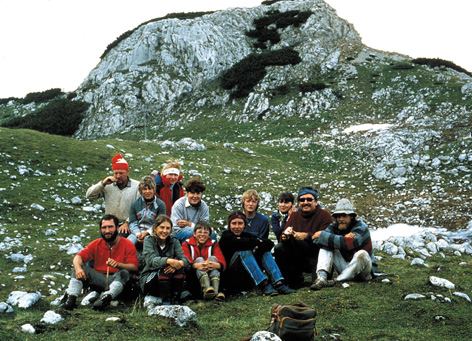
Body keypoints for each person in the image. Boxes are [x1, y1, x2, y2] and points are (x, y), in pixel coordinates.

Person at [58, 214, 139, 311]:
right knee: (79, 268)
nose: (107, 231)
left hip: (120, 282)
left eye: (110, 227)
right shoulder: (96, 244)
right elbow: (78, 257)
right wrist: (78, 269)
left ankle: (105, 299)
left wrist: (118, 265)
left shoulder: (128, 244)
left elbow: (134, 267)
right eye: (104, 228)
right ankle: (70, 301)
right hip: (100, 280)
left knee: (123, 273)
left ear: (117, 228)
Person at [219, 211, 295, 296]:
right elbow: (239, 243)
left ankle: (278, 283)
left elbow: (269, 243)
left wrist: (257, 244)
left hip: (247, 278)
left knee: (264, 251)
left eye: (240, 223)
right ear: (229, 225)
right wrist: (256, 243)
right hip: (232, 278)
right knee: (244, 251)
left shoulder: (246, 235)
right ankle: (264, 285)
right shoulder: (225, 236)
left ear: (244, 225)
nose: (237, 227)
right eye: (234, 223)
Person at [311, 199, 378, 290]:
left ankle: (337, 280)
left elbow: (350, 244)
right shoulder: (334, 227)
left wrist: (324, 235)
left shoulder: (361, 227)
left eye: (344, 216)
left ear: (351, 217)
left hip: (364, 272)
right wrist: (342, 238)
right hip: (344, 268)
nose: (340, 219)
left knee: (362, 254)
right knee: (325, 246)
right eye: (338, 216)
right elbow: (316, 241)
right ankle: (321, 279)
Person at [274, 186, 333, 288]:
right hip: (299, 256)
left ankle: (321, 277)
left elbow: (328, 238)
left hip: (317, 256)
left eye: (309, 199)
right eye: (302, 200)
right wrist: (285, 237)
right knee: (279, 248)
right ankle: (292, 280)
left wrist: (307, 236)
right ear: (298, 203)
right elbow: (282, 237)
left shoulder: (325, 215)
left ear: (316, 202)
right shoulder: (294, 216)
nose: (305, 202)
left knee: (318, 284)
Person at [86, 153, 140, 237]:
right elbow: (89, 195)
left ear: (127, 172)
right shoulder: (107, 185)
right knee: (102, 245)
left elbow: (140, 208)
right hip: (109, 224)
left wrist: (127, 222)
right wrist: (102, 183)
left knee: (118, 245)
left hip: (125, 226)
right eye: (116, 173)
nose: (118, 176)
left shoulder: (137, 186)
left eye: (121, 173)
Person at [140, 215, 189, 305]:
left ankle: (176, 299)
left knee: (179, 269)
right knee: (164, 270)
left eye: (168, 228)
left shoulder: (174, 241)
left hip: (169, 279)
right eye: (162, 227)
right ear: (155, 228)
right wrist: (169, 261)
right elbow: (150, 261)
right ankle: (166, 302)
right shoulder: (149, 240)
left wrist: (178, 264)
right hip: (151, 279)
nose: (164, 231)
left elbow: (185, 260)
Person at [182, 221, 226, 301]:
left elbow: (222, 261)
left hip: (210, 272)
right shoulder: (187, 244)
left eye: (205, 232)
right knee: (199, 259)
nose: (202, 234)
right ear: (194, 234)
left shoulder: (213, 244)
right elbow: (185, 261)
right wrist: (196, 265)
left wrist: (214, 265)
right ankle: (206, 288)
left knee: (213, 258)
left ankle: (214, 292)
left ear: (209, 235)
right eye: (200, 232)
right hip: (194, 277)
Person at [170, 177, 211, 242]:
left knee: (212, 235)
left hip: (198, 234)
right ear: (187, 193)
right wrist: (197, 230)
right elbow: (176, 228)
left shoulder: (204, 206)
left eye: (198, 193)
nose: (195, 196)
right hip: (178, 236)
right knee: (189, 234)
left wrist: (190, 224)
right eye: (192, 193)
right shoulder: (179, 204)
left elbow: (205, 227)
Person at [128, 176, 166, 245]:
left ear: (154, 190)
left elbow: (159, 224)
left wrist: (147, 233)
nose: (147, 191)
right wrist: (138, 234)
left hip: (153, 233)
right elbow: (132, 222)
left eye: (150, 189)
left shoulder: (161, 204)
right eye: (144, 189)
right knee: (128, 243)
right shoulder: (135, 204)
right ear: (141, 191)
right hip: (136, 232)